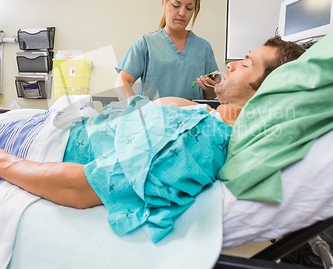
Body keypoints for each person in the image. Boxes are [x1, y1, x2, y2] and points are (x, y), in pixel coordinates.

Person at [0, 36, 304, 242]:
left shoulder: (203, 138)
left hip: (40, 143)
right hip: (54, 121)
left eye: (246, 63)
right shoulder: (208, 116)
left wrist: (4, 163)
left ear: (263, 90)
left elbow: (82, 187)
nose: (232, 63)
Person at [114, 0, 220, 101]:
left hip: (192, 120)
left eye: (189, 8)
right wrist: (136, 111)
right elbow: (122, 81)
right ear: (164, 2)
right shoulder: (147, 43)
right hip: (155, 119)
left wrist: (210, 90)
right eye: (176, 5)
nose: (182, 13)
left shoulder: (203, 48)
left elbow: (212, 95)